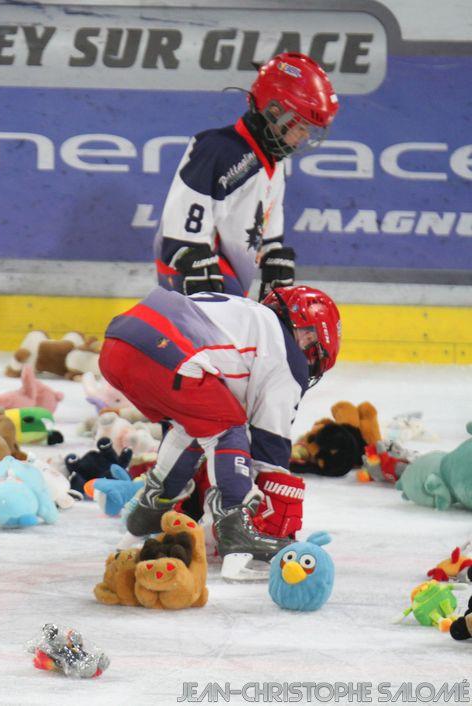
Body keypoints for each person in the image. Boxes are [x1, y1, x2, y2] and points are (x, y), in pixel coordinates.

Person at [98, 285, 341, 580]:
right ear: (310, 336)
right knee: (227, 427)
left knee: (194, 425)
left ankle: (148, 513)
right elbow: (270, 444)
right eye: (312, 352)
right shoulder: (286, 353)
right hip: (166, 350)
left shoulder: (247, 319)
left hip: (117, 344)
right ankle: (237, 535)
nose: (308, 360)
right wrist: (276, 512)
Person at [154, 52, 339, 300]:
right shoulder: (218, 149)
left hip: (229, 279)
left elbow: (265, 219)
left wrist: (273, 253)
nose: (305, 135)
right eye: (301, 125)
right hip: (197, 274)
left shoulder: (273, 159)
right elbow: (181, 227)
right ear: (275, 111)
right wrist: (189, 256)